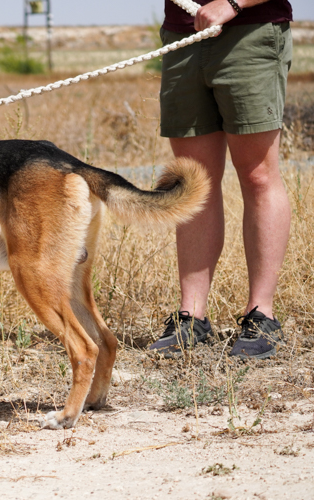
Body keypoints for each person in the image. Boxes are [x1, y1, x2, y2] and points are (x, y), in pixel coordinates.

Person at [147, 0, 293, 359]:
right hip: (183, 36)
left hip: (251, 31)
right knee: (193, 181)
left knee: (259, 176)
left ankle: (262, 315)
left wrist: (233, 4)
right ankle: (191, 317)